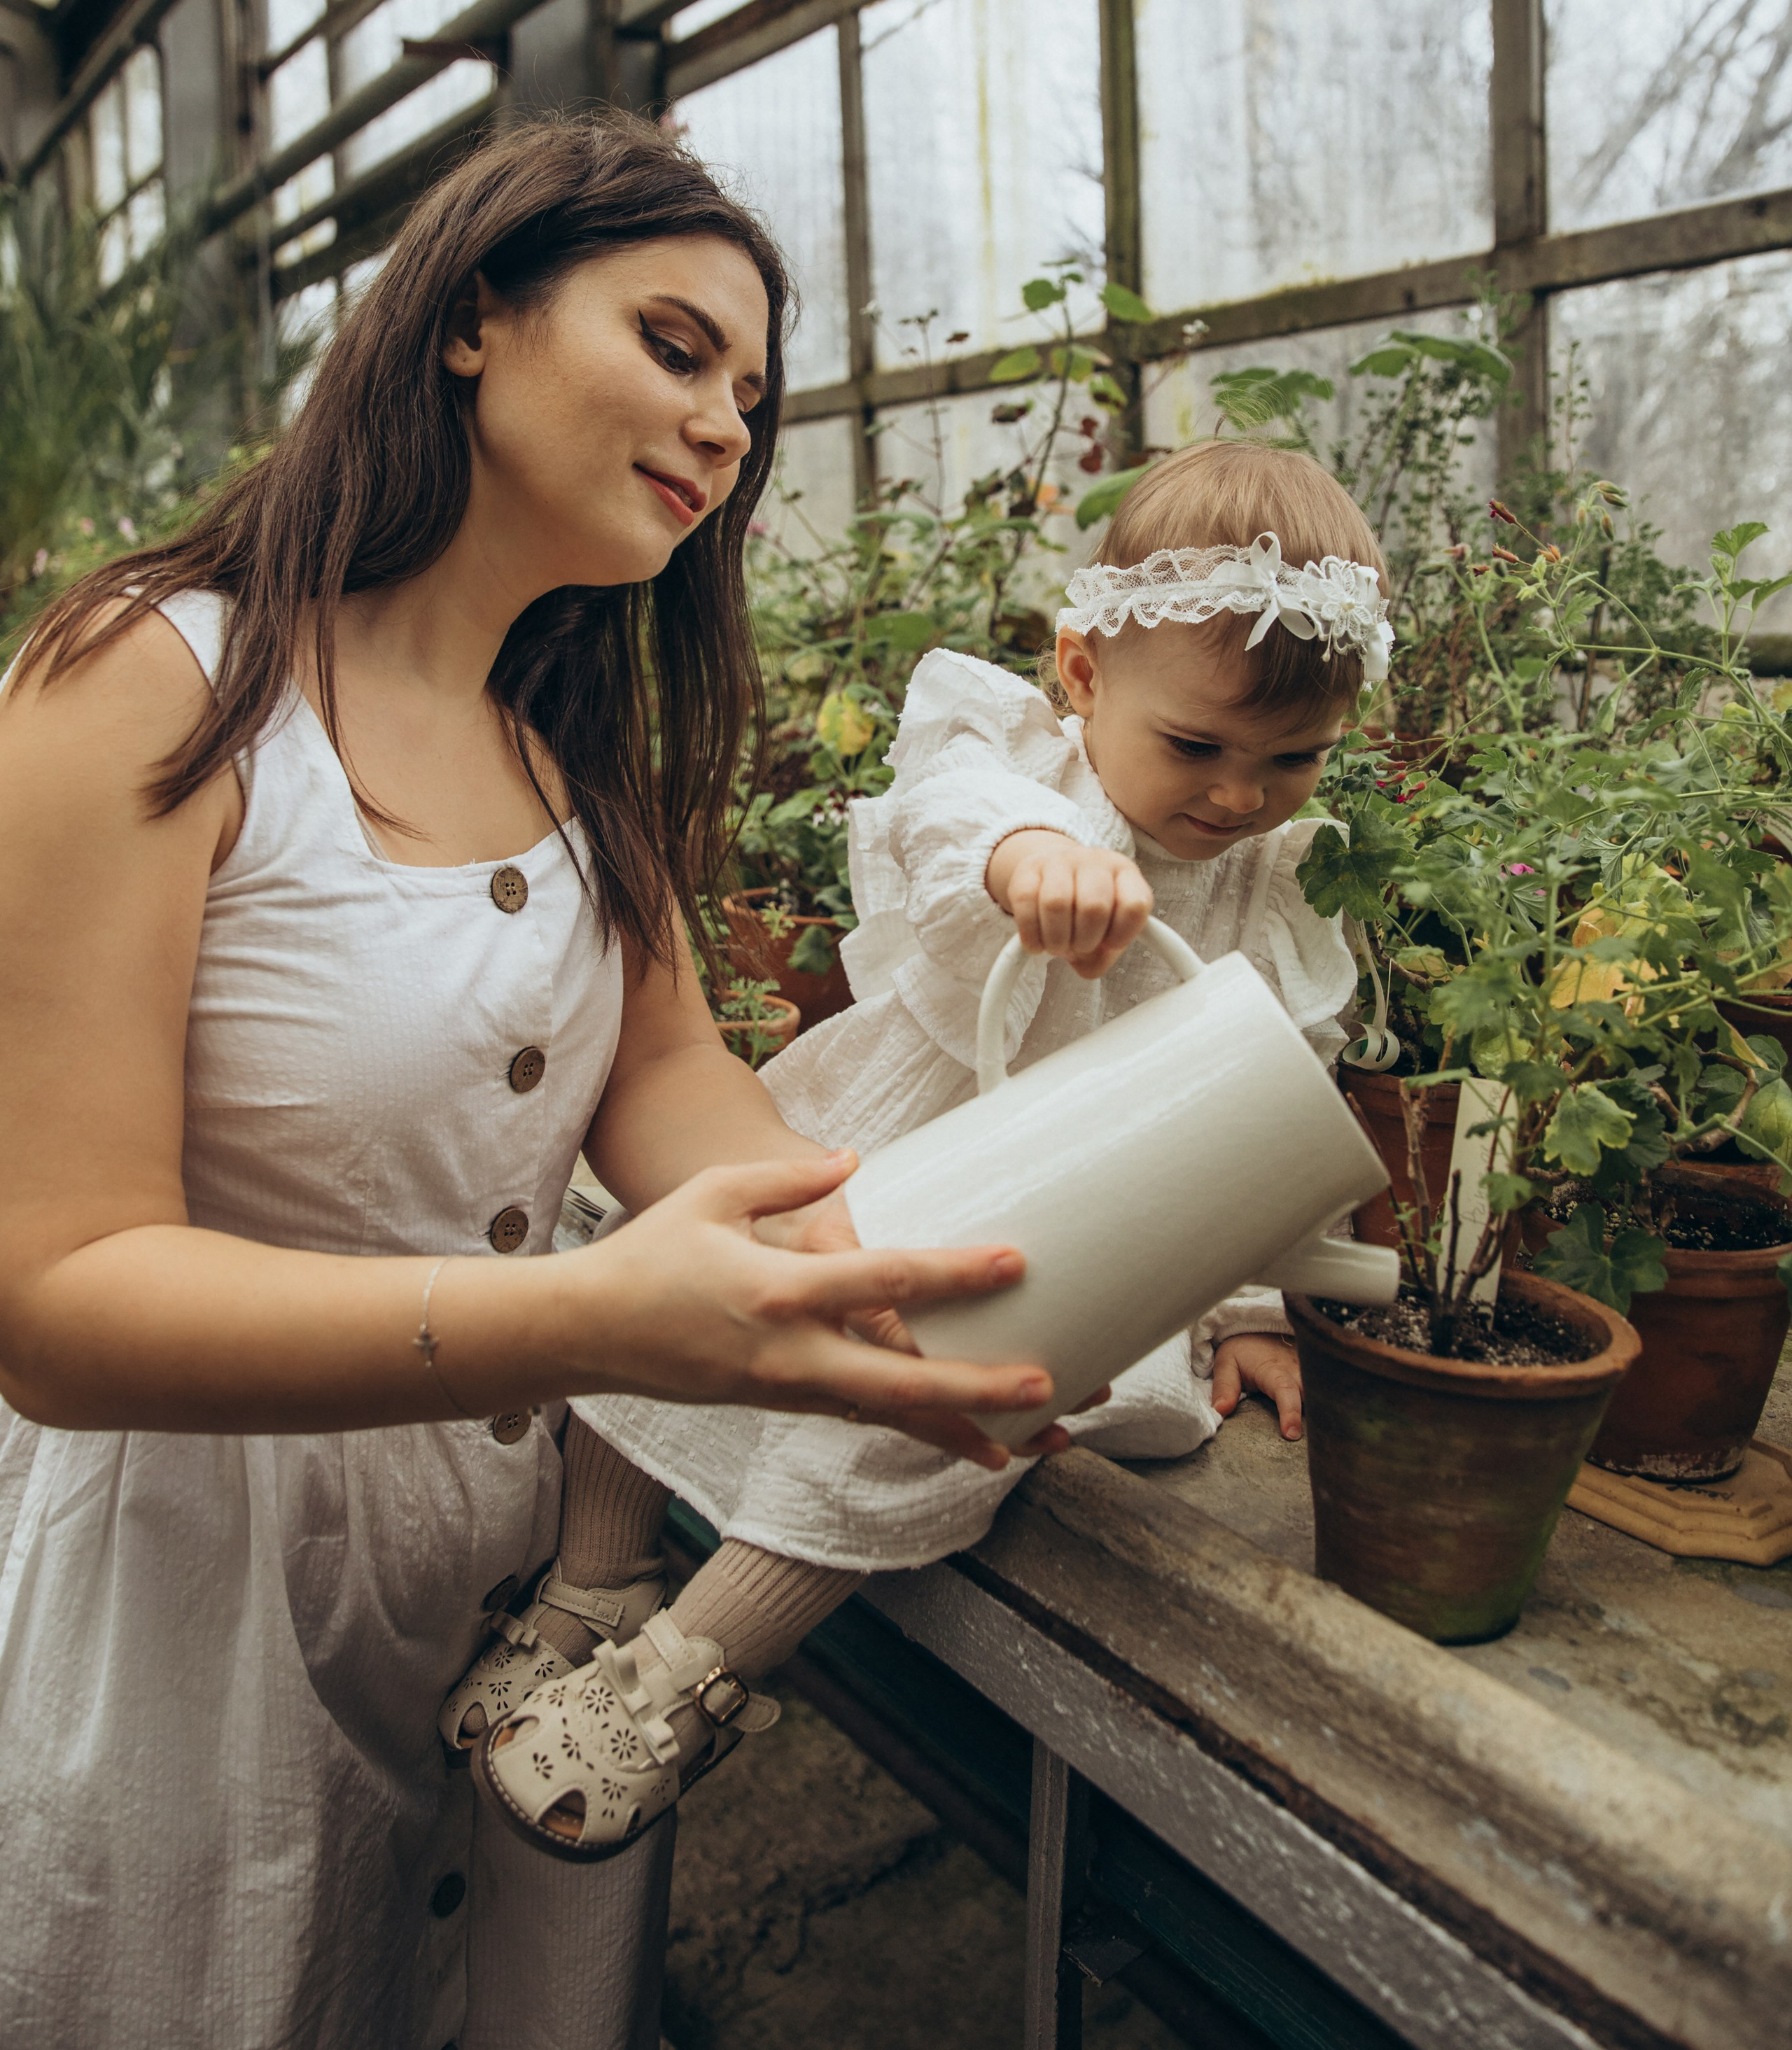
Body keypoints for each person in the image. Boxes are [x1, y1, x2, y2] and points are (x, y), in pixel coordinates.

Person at [0, 118, 1064, 2050]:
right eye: (676, 348)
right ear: (474, 318)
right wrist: (586, 1314)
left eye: (752, 397)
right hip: (198, 1623)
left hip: (520, 1626)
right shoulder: (151, 682)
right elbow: (53, 1302)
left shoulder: (568, 766)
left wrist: (882, 1259)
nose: (729, 427)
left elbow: (677, 1086)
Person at [449, 438, 1393, 1862]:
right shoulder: (1014, 760)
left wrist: (1251, 1304)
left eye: (1292, 758)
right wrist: (1029, 855)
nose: (1235, 795)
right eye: (1195, 746)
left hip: (1066, 1220)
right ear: (1082, 675)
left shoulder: (1273, 876)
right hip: (888, 1119)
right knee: (677, 1300)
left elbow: (1268, 1099)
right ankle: (594, 1581)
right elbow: (949, 818)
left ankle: (683, 1676)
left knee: (919, 1434)